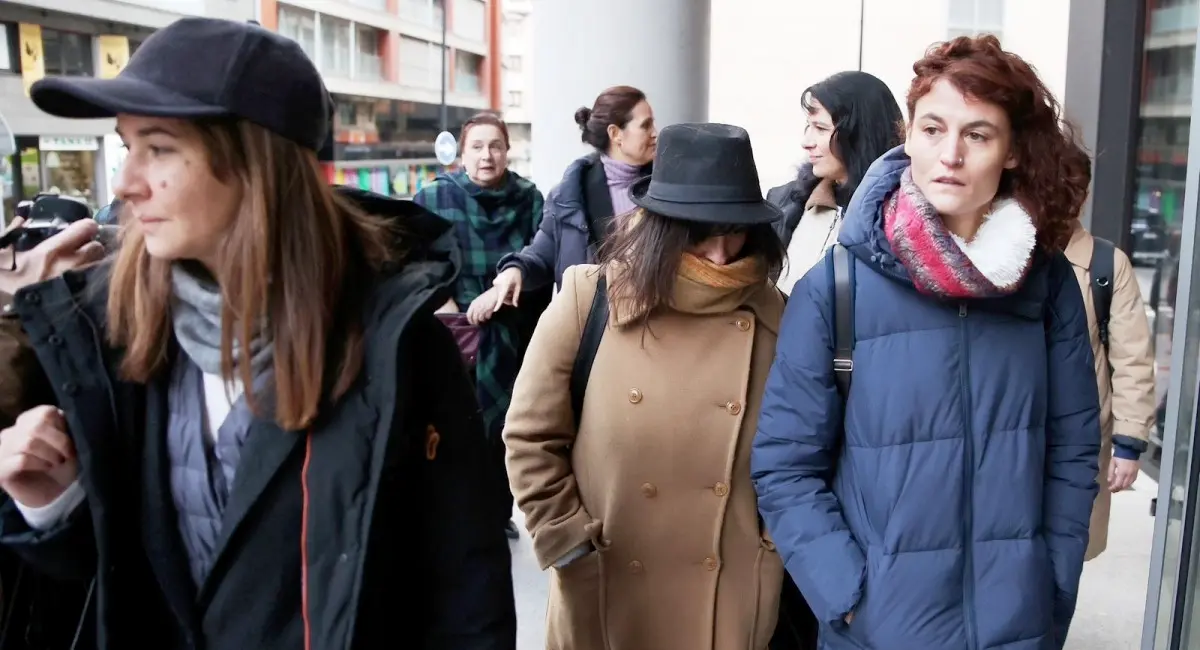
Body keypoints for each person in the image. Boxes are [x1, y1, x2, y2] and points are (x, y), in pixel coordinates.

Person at [0, 17, 515, 650]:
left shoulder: (396, 345)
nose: (125, 183)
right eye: (125, 146)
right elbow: (122, 587)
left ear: (253, 163)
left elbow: (465, 597)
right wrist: (54, 503)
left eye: (158, 148)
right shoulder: (109, 331)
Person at [752, 35, 1101, 650]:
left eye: (978, 134)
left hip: (1016, 627)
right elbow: (785, 466)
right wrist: (850, 599)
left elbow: (1072, 452)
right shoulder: (837, 285)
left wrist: (1050, 583)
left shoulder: (1044, 284)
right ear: (906, 135)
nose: (951, 155)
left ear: (1012, 152)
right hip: (880, 630)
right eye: (933, 128)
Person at [504, 123, 787, 650]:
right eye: (700, 233)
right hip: (608, 580)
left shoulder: (778, 318)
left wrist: (771, 546)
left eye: (736, 230)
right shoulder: (591, 299)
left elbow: (800, 452)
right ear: (664, 226)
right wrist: (566, 540)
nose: (722, 254)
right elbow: (529, 435)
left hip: (729, 589)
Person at [413, 112, 548, 540]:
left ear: (508, 151)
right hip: (452, 331)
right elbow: (413, 260)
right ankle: (458, 513)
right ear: (462, 152)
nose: (487, 156)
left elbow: (543, 261)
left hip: (512, 329)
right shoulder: (435, 198)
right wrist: (444, 300)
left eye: (495, 146)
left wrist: (505, 294)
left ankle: (496, 512)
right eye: (477, 147)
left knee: (506, 427)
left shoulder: (530, 199)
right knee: (456, 423)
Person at [491, 86, 656, 306]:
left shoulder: (666, 189)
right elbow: (542, 255)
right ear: (615, 134)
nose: (655, 132)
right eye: (646, 125)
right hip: (593, 329)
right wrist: (515, 269)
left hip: (658, 326)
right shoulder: (570, 195)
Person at [1062, 213, 1155, 561]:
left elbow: (1133, 360)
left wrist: (1128, 446)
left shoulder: (1106, 265)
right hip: (1013, 440)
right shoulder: (1005, 254)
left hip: (1082, 444)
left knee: (1066, 554)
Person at [765, 71, 904, 293]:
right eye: (808, 126)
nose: (806, 142)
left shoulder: (903, 217)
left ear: (859, 134)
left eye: (820, 128)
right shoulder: (784, 201)